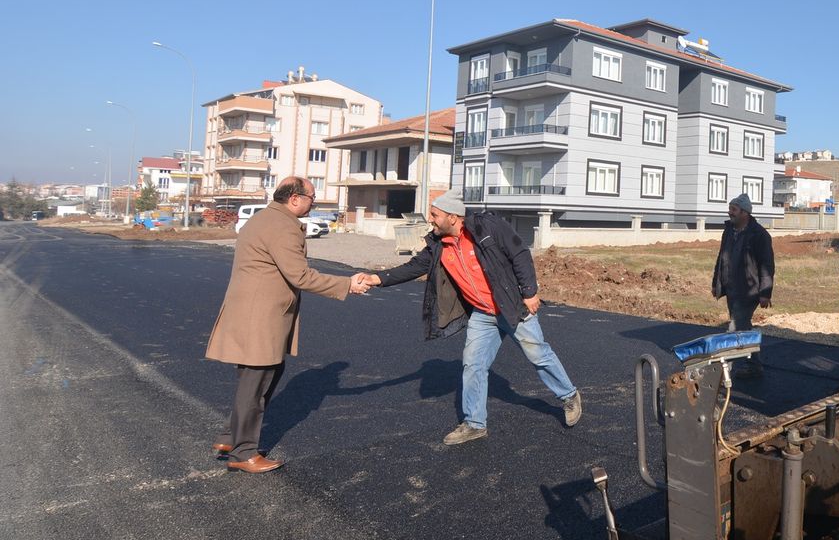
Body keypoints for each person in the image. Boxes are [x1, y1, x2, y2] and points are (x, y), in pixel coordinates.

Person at [358, 189, 580, 445]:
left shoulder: (488, 227)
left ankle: (569, 396)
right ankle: (475, 423)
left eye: (435, 214)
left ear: (453, 217)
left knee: (538, 354)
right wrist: (375, 279)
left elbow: (519, 252)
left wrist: (530, 292)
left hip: (511, 307)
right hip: (483, 314)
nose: (430, 219)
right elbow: (413, 267)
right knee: (472, 364)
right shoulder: (437, 245)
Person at [204, 177, 371, 474]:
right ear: (294, 198)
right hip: (260, 316)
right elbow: (300, 276)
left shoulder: (263, 218)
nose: (313, 204)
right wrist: (347, 284)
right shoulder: (282, 226)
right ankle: (244, 452)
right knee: (255, 383)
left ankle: (231, 437)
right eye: (312, 199)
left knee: (258, 379)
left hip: (252, 311)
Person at [710, 193, 773, 375]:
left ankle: (723, 371)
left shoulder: (759, 235)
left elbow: (767, 265)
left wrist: (765, 292)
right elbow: (721, 258)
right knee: (743, 327)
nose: (730, 213)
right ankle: (754, 365)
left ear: (745, 212)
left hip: (749, 291)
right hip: (731, 288)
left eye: (734, 209)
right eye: (730, 209)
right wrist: (716, 282)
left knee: (734, 327)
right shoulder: (729, 231)